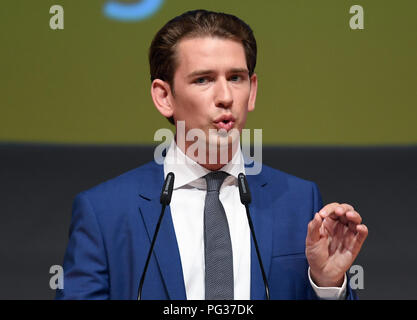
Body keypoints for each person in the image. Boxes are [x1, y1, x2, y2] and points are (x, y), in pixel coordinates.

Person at [56, 9, 368, 300]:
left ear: (253, 90)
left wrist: (327, 285)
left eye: (236, 78)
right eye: (203, 80)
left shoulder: (299, 201)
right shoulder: (105, 212)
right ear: (164, 97)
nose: (225, 97)